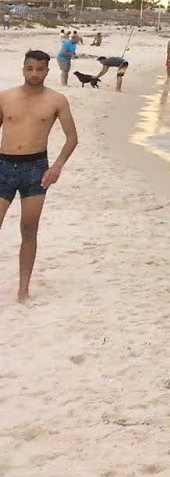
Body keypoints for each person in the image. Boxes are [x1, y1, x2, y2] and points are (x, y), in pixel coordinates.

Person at [0, 50, 79, 301]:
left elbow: (72, 138)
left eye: (40, 69)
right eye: (30, 68)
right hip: (3, 165)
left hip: (36, 168)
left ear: (47, 70)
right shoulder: (5, 97)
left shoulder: (56, 100)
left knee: (29, 230)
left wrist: (56, 167)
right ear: (23, 69)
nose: (34, 73)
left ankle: (23, 290)